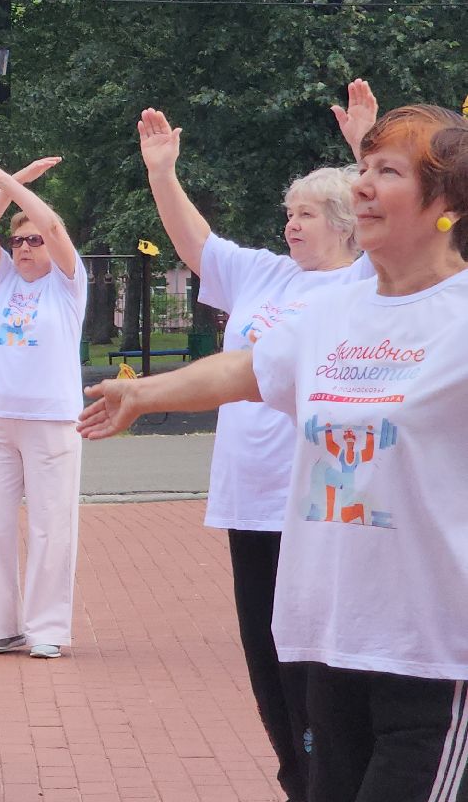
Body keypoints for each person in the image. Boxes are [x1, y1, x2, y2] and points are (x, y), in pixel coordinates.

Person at [82, 103, 468, 802]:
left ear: (445, 201)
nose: (363, 187)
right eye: (364, 170)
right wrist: (147, 394)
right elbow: (246, 371)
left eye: (388, 172)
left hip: (434, 650)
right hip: (333, 633)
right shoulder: (329, 314)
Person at [137, 91, 374, 800]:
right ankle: (297, 779)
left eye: (304, 214)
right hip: (248, 505)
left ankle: (329, 779)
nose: (290, 224)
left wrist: (368, 144)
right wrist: (162, 172)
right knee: (268, 665)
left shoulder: (366, 282)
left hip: (318, 507)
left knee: (321, 671)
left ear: (343, 224)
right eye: (289, 213)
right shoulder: (264, 274)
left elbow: (398, 212)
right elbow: (194, 242)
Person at [0, 153, 86, 661]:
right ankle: (2, 626)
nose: (25, 247)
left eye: (33, 239)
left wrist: (15, 183)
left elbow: (54, 224)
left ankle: (48, 628)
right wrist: (11, 188)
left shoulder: (68, 284)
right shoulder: (3, 281)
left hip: (53, 419)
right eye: (19, 240)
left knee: (50, 524)